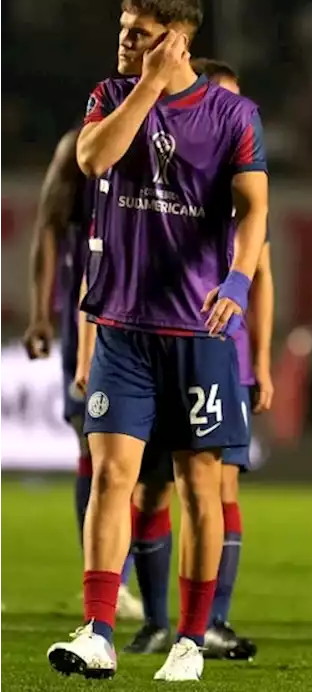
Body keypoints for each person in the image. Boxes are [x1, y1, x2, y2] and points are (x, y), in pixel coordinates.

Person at [46, 0, 269, 682]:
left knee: (200, 485)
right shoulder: (110, 98)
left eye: (139, 33)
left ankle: (191, 638)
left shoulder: (234, 115)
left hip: (197, 330)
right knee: (113, 476)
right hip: (121, 325)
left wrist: (236, 280)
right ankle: (100, 630)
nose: (124, 42)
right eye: (123, 28)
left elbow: (255, 209)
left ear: (178, 39)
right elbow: (92, 160)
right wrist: (147, 85)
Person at [121, 58, 270, 661]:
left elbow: (263, 278)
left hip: (219, 355)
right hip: (155, 340)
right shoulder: (171, 185)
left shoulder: (244, 186)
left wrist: (256, 359)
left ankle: (210, 621)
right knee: (148, 490)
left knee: (215, 487)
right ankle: (157, 619)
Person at [23, 127, 145, 623]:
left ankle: (127, 582)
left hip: (156, 315)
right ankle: (111, 581)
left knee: (144, 460)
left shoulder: (173, 139)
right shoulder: (80, 146)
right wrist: (40, 313)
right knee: (95, 447)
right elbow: (49, 226)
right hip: (91, 315)